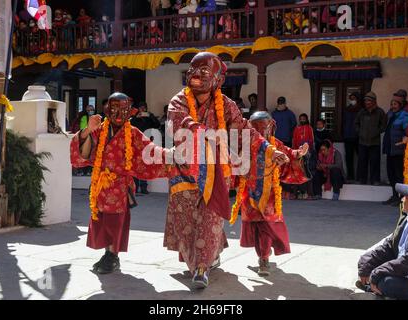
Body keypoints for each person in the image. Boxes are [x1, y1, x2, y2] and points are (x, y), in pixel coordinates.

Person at [164, 52, 288, 288]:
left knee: (210, 218)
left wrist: (270, 150)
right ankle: (207, 256)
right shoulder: (179, 100)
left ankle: (201, 268)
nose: (196, 75)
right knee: (188, 221)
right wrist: (199, 129)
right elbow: (178, 121)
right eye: (193, 69)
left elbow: (246, 132)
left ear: (218, 81)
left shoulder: (226, 105)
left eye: (204, 71)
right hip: (184, 171)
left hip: (215, 172)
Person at [69, 92, 178, 274]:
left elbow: (150, 150)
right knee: (101, 220)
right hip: (100, 185)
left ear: (130, 113)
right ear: (107, 110)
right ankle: (108, 254)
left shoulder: (133, 133)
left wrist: (171, 155)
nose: (119, 114)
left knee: (115, 221)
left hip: (120, 187)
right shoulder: (98, 130)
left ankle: (112, 256)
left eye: (124, 110)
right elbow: (83, 154)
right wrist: (88, 129)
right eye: (114, 109)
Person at [240, 111, 308, 276]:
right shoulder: (246, 145)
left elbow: (289, 153)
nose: (264, 130)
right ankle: (262, 257)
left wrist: (299, 153)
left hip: (270, 194)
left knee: (266, 226)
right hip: (250, 193)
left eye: (265, 126)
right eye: (259, 127)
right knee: (257, 227)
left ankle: (264, 258)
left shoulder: (274, 144)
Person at [357, 181, 408, 300]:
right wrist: (367, 263)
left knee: (387, 283)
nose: (402, 199)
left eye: (405, 197)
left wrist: (378, 273)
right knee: (365, 262)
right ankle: (375, 287)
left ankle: (375, 288)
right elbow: (390, 246)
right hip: (403, 270)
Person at [382, 94, 408, 206]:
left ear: (401, 105)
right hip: (390, 149)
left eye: (395, 104)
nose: (392, 106)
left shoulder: (405, 116)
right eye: (391, 104)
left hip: (398, 150)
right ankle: (394, 195)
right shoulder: (390, 115)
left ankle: (402, 198)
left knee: (399, 175)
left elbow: (407, 132)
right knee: (391, 175)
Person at [355, 91, 387, 185]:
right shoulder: (362, 112)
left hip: (375, 142)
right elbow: (356, 123)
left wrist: (376, 132)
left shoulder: (380, 112)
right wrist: (359, 132)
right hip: (362, 141)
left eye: (369, 101)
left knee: (375, 162)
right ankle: (362, 179)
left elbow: (384, 125)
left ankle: (375, 180)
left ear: (374, 101)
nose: (366, 102)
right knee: (362, 161)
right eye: (365, 101)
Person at [130, 101, 161, 194]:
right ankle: (134, 187)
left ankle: (144, 188)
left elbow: (157, 125)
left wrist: (151, 117)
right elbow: (129, 125)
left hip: (146, 144)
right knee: (135, 165)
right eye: (141, 107)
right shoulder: (134, 118)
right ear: (138, 109)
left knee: (145, 166)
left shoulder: (149, 118)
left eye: (144, 107)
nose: (143, 109)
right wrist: (136, 117)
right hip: (135, 144)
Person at [343, 92, 362, 181]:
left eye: (354, 98)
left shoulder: (361, 110)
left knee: (361, 157)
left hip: (358, 137)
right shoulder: (347, 109)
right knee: (349, 157)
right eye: (351, 98)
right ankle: (350, 175)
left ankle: (360, 176)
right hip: (348, 136)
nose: (352, 100)